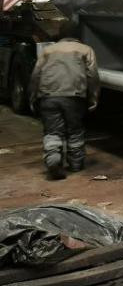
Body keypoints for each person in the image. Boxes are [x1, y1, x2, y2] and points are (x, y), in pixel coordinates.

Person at [30, 25, 99, 179]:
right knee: (75, 130)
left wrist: (33, 96)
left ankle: (53, 160)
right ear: (78, 35)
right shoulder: (86, 50)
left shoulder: (48, 51)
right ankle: (76, 164)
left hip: (48, 96)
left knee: (52, 131)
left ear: (60, 35)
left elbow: (35, 75)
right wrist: (93, 97)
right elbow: (93, 76)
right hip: (74, 97)